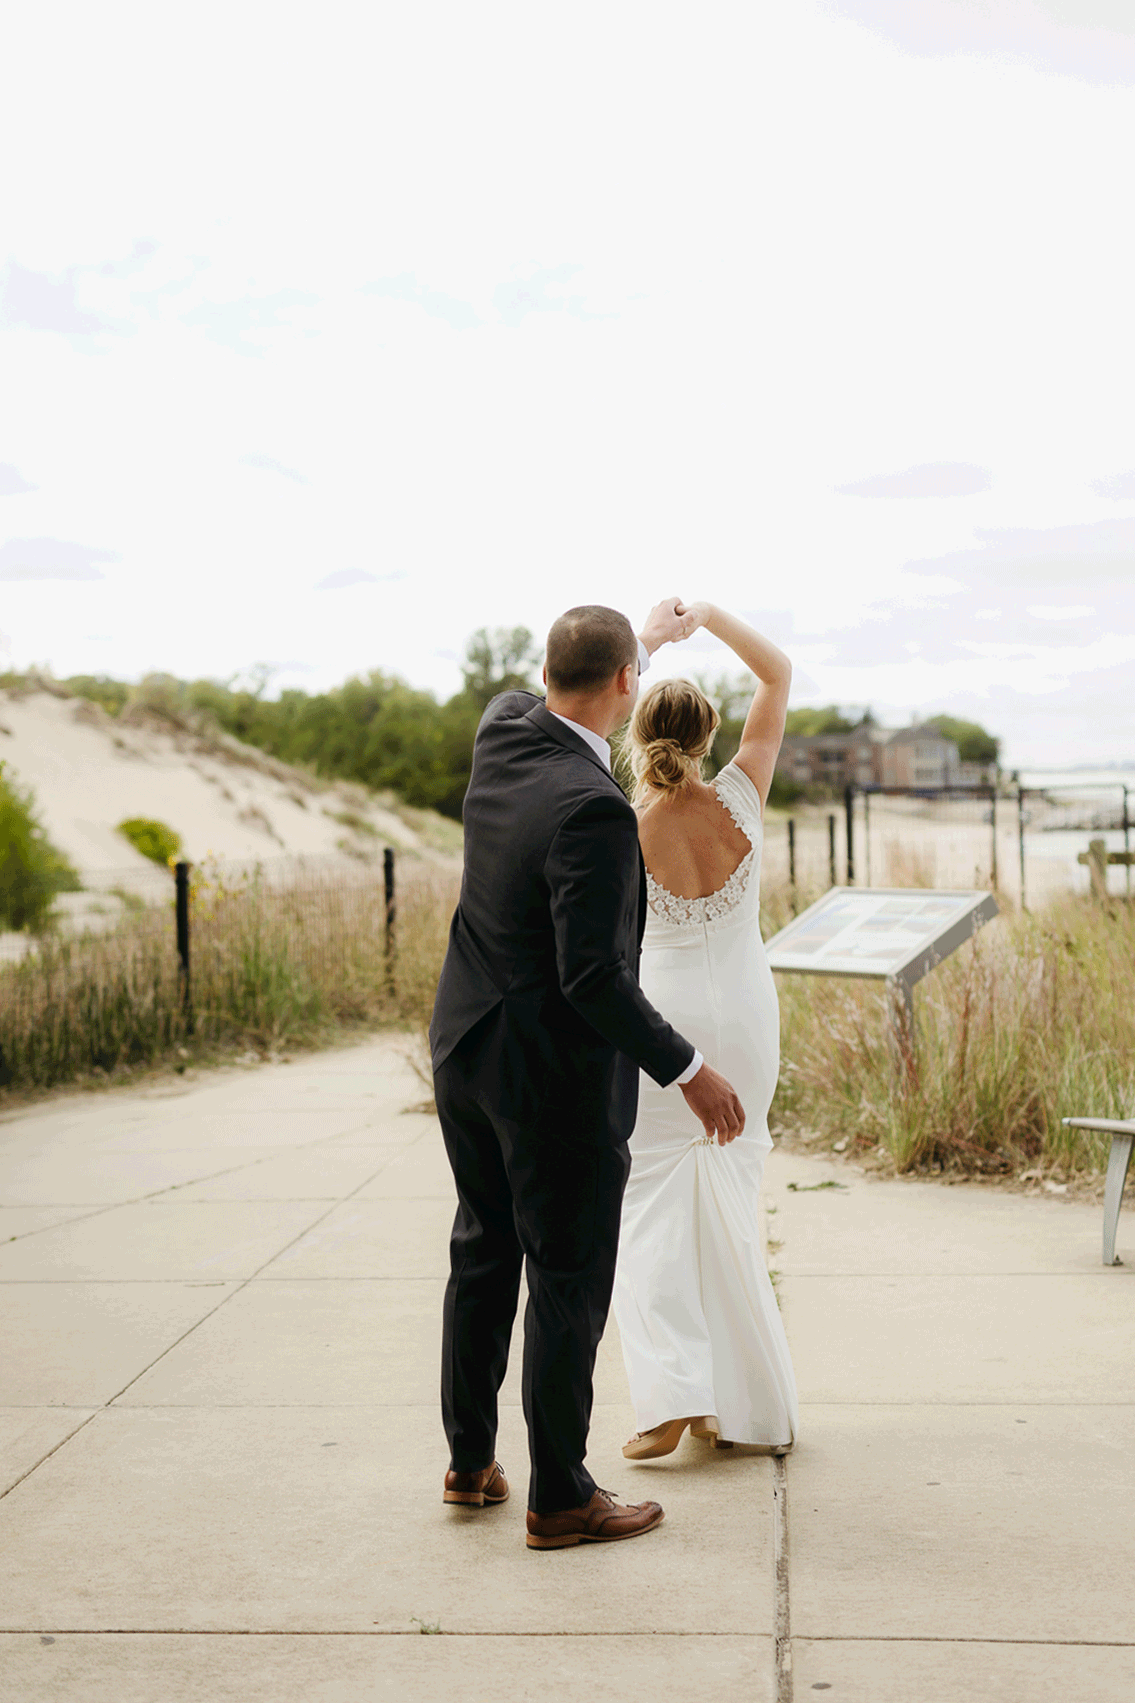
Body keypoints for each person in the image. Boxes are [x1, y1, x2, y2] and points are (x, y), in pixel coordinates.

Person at [430, 600, 746, 1550]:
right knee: (566, 1275)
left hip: (464, 1047)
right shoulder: (595, 811)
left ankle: (470, 1461)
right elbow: (592, 978)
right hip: (549, 1080)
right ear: (624, 685)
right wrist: (688, 1068)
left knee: (482, 1252)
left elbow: (576, 679)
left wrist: (639, 639)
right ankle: (561, 1495)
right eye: (632, 670)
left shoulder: (501, 729)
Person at [613, 601, 799, 1459]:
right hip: (746, 1015)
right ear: (706, 733)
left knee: (648, 1200)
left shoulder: (619, 826)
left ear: (639, 729)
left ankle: (669, 1399)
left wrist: (646, 639)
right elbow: (778, 673)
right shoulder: (742, 795)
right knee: (729, 1196)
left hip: (667, 1024)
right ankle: (731, 1401)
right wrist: (708, 616)